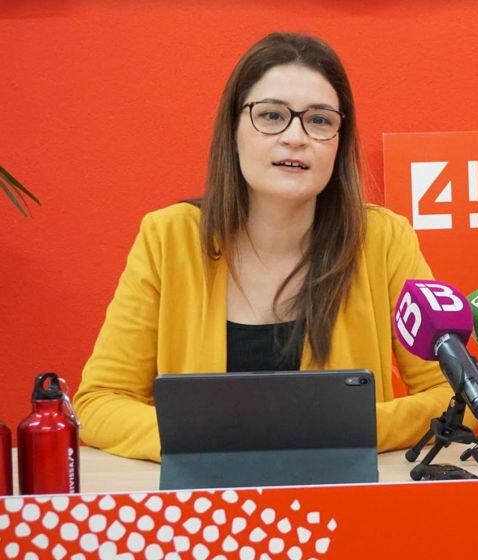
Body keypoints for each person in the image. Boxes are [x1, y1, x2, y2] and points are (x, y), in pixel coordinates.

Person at [74, 33, 454, 461]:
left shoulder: (383, 239)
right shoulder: (168, 238)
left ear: (339, 141)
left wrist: (342, 429)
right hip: (210, 507)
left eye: (320, 120)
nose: (295, 137)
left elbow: (454, 394)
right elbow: (99, 402)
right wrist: (208, 438)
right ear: (232, 130)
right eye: (272, 115)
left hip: (343, 503)